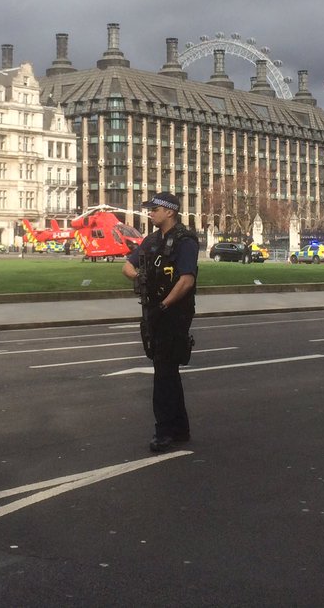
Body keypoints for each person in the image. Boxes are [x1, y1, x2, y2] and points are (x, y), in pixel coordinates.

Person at [123, 191, 200, 453]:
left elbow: (186, 280)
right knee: (167, 370)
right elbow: (127, 267)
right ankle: (180, 427)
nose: (150, 212)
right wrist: (140, 277)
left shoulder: (185, 241)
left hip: (175, 312)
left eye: (155, 209)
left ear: (170, 211)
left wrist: (164, 305)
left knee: (163, 372)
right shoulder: (152, 240)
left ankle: (163, 430)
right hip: (155, 310)